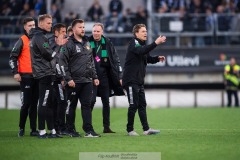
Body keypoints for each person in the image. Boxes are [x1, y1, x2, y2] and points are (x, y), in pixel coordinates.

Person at [122, 24, 166, 136]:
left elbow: (147, 58)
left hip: (139, 81)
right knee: (133, 105)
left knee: (142, 105)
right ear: (136, 33)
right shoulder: (134, 43)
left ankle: (146, 129)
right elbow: (141, 51)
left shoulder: (142, 45)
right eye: (143, 31)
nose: (145, 33)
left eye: (146, 31)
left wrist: (157, 58)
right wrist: (156, 43)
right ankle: (130, 130)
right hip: (131, 80)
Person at [59, 19, 101, 138]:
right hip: (73, 82)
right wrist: (68, 79)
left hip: (87, 81)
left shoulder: (87, 43)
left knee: (87, 105)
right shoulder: (68, 44)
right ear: (73, 30)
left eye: (83, 27)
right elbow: (62, 62)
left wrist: (94, 76)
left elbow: (91, 61)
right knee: (71, 106)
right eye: (80, 27)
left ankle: (89, 130)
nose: (82, 29)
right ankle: (70, 129)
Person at [29, 14, 66, 138]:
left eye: (51, 23)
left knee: (49, 103)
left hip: (47, 73)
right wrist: (59, 45)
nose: (50, 25)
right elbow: (49, 55)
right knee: (44, 103)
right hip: (44, 73)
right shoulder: (39, 37)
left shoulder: (41, 36)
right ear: (40, 24)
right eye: (48, 23)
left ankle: (52, 131)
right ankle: (42, 131)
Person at [89, 23, 124, 133]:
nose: (95, 33)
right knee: (91, 101)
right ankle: (88, 126)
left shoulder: (107, 42)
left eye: (98, 31)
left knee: (106, 102)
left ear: (102, 32)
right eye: (94, 31)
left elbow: (116, 58)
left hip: (104, 77)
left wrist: (119, 75)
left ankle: (106, 127)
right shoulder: (86, 42)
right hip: (90, 77)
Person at [9, 17, 39, 137]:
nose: (32, 27)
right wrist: (15, 72)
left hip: (37, 76)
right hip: (25, 77)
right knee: (26, 104)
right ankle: (21, 128)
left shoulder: (38, 40)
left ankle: (33, 130)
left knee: (34, 104)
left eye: (33, 25)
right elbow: (12, 57)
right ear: (25, 27)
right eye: (30, 25)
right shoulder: (21, 40)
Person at [48, 23, 68, 135]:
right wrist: (61, 77)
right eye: (63, 32)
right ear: (56, 32)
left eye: (65, 32)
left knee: (62, 102)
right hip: (54, 78)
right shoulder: (50, 43)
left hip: (62, 77)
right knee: (58, 102)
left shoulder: (64, 43)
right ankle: (58, 127)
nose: (65, 34)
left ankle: (59, 127)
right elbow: (53, 59)